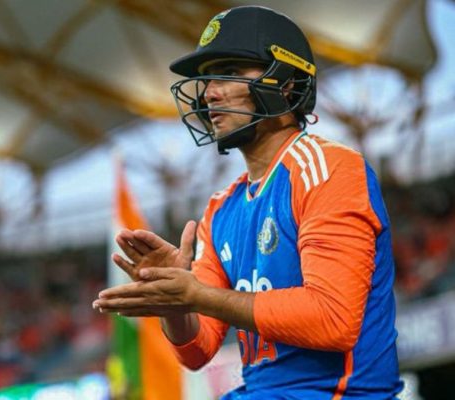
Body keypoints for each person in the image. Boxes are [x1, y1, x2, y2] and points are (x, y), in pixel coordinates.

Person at [93, 5, 403, 399]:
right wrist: (175, 302)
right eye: (207, 80)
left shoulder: (328, 168)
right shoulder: (221, 210)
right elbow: (198, 350)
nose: (209, 93)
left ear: (285, 84)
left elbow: (333, 319)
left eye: (230, 72)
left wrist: (198, 295)